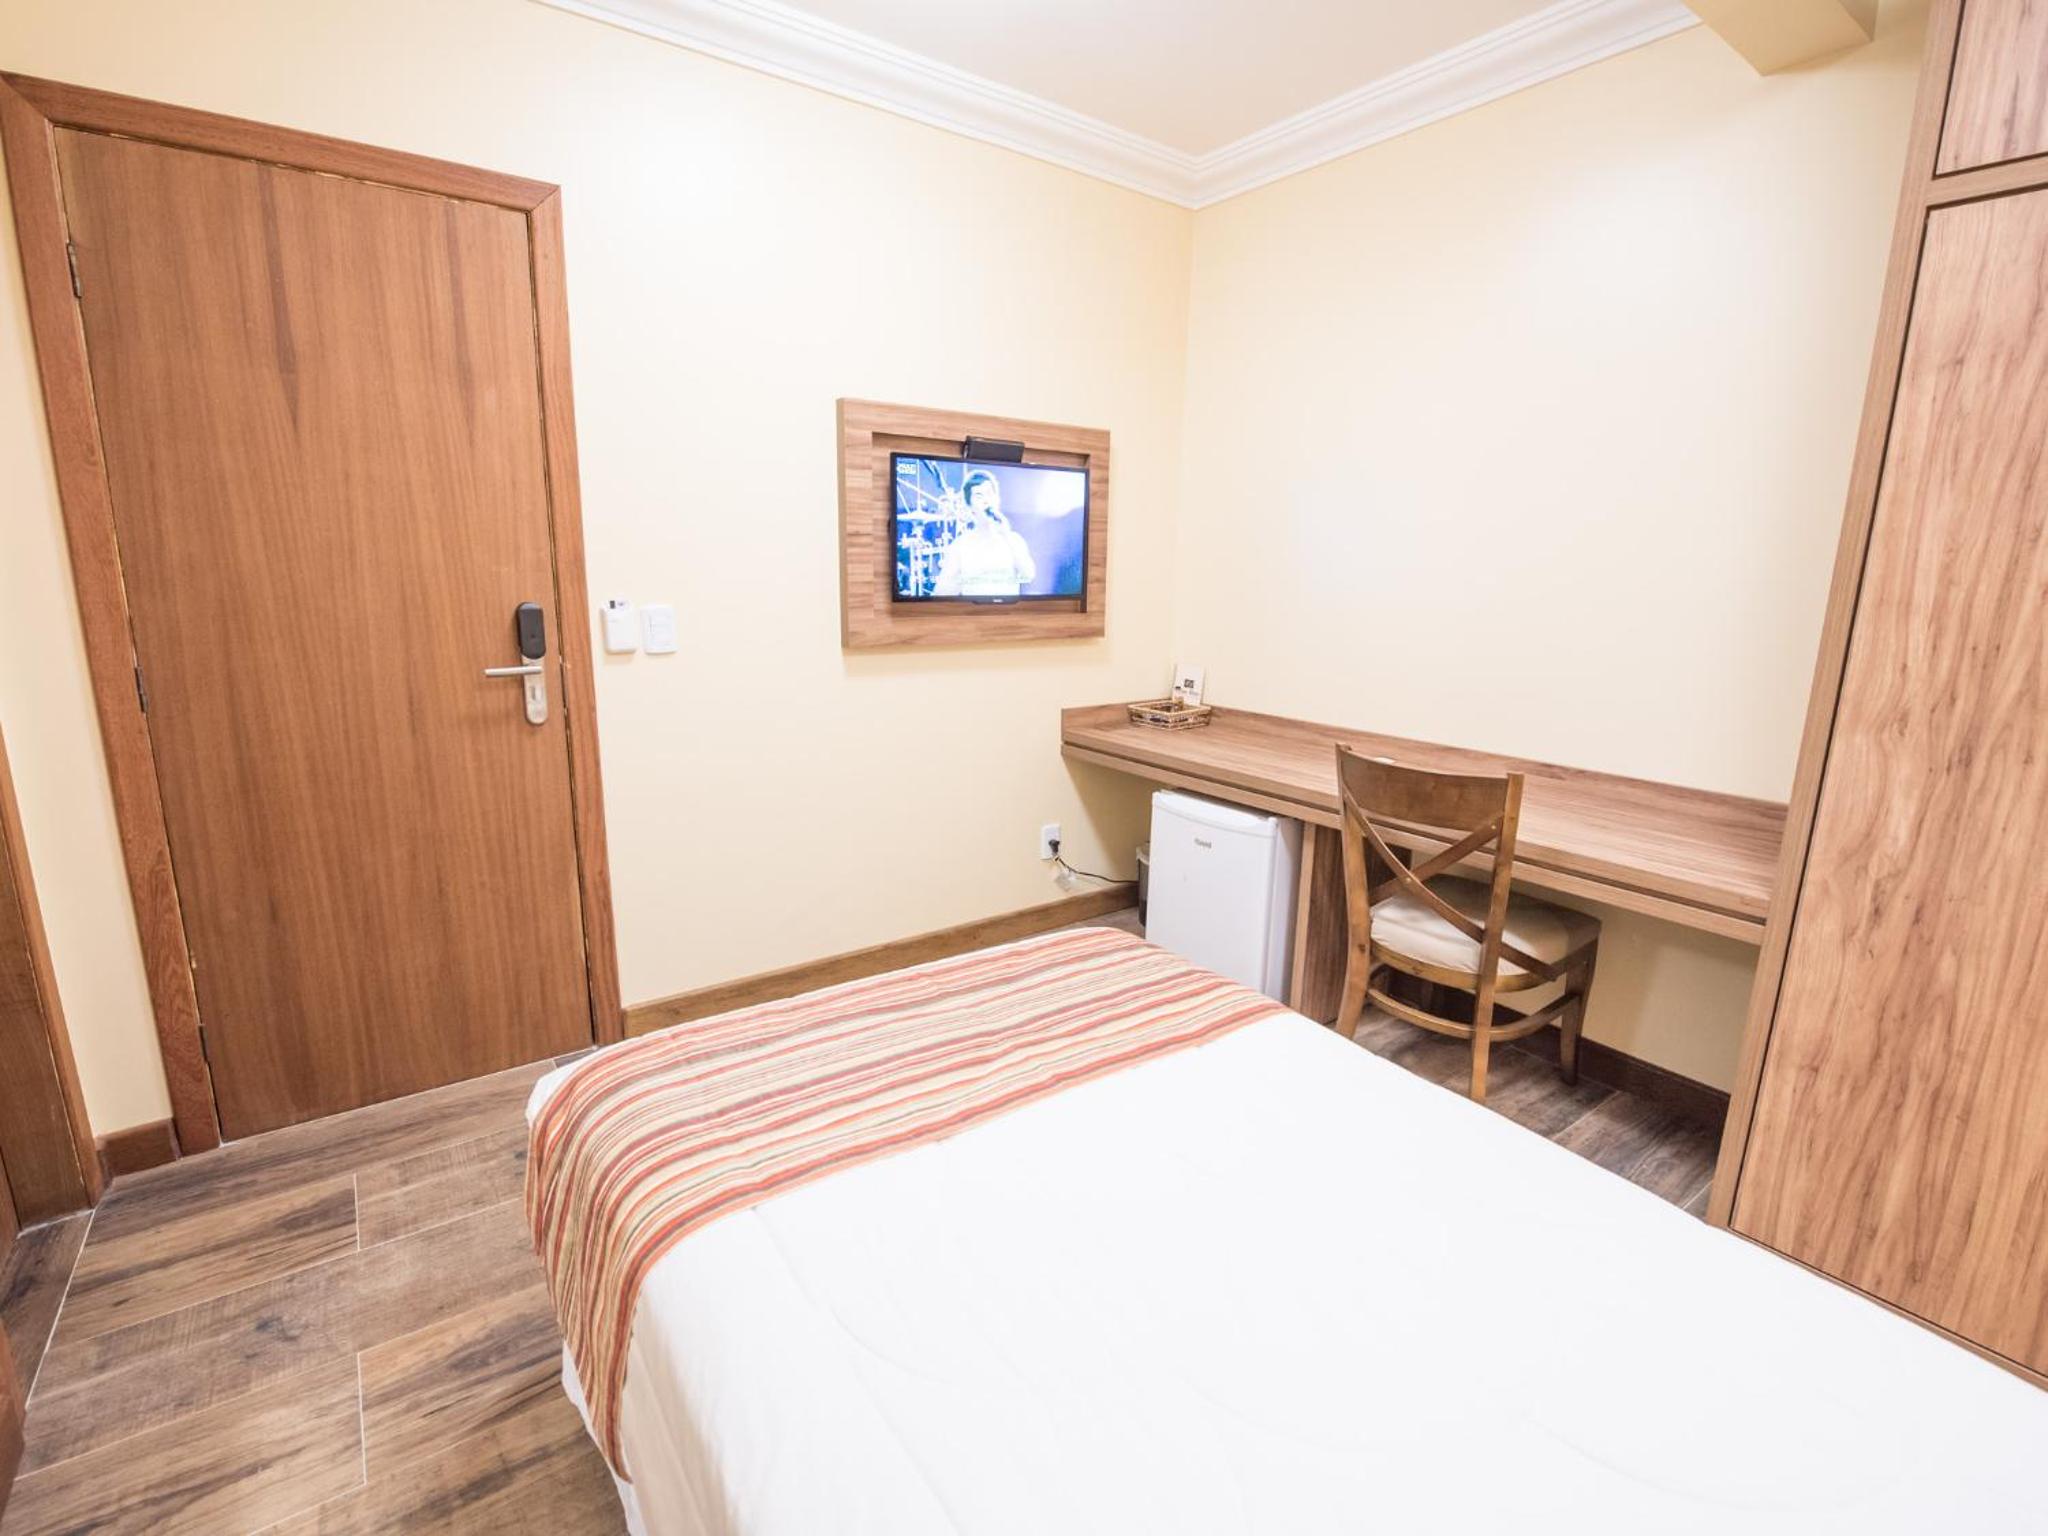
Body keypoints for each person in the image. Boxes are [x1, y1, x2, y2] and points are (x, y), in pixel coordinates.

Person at [932, 470, 1036, 597]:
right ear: (969, 506)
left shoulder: (1014, 540)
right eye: (979, 496)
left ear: (997, 499)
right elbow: (942, 592)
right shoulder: (960, 545)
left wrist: (1006, 534)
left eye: (989, 494)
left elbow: (1028, 575)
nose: (986, 500)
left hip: (1008, 609)